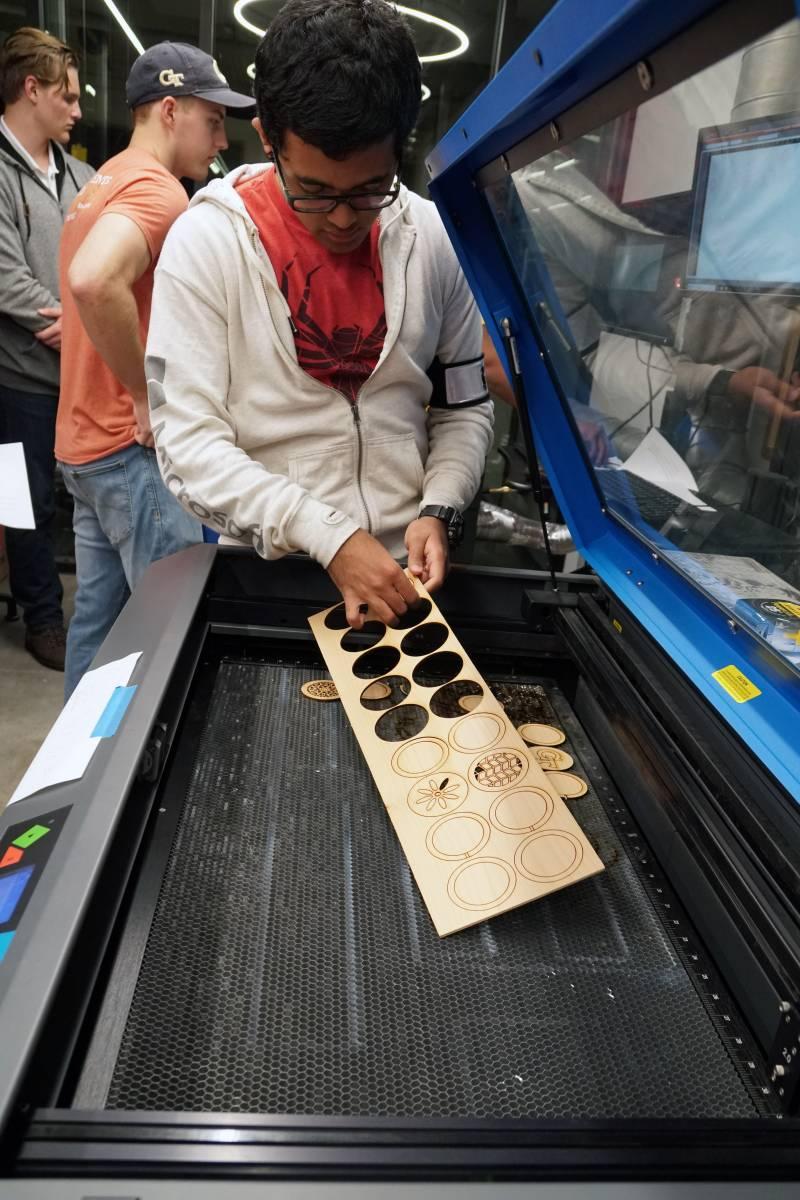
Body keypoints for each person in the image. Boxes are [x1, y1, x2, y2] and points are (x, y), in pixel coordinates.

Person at [146, 0, 493, 630]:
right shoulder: (207, 244)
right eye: (314, 190)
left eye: (369, 189)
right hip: (269, 571)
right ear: (268, 139)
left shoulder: (433, 239)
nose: (341, 218)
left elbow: (463, 407)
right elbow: (189, 445)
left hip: (408, 578)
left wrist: (440, 507)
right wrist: (328, 536)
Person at [55, 42, 254, 698]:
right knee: (168, 627)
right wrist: (147, 396)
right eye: (212, 120)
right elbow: (91, 281)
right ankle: (148, 781)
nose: (220, 138)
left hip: (84, 448)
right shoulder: (157, 191)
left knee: (100, 622)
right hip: (129, 451)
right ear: (170, 110)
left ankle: (77, 784)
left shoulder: (100, 182)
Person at [0, 27, 93, 670]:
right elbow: (6, 277)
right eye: (67, 96)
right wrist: (73, 319)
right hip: (17, 377)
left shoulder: (80, 174)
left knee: (80, 497)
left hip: (80, 371)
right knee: (22, 500)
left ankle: (87, 613)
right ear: (31, 90)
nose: (79, 110)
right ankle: (42, 619)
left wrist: (84, 326)